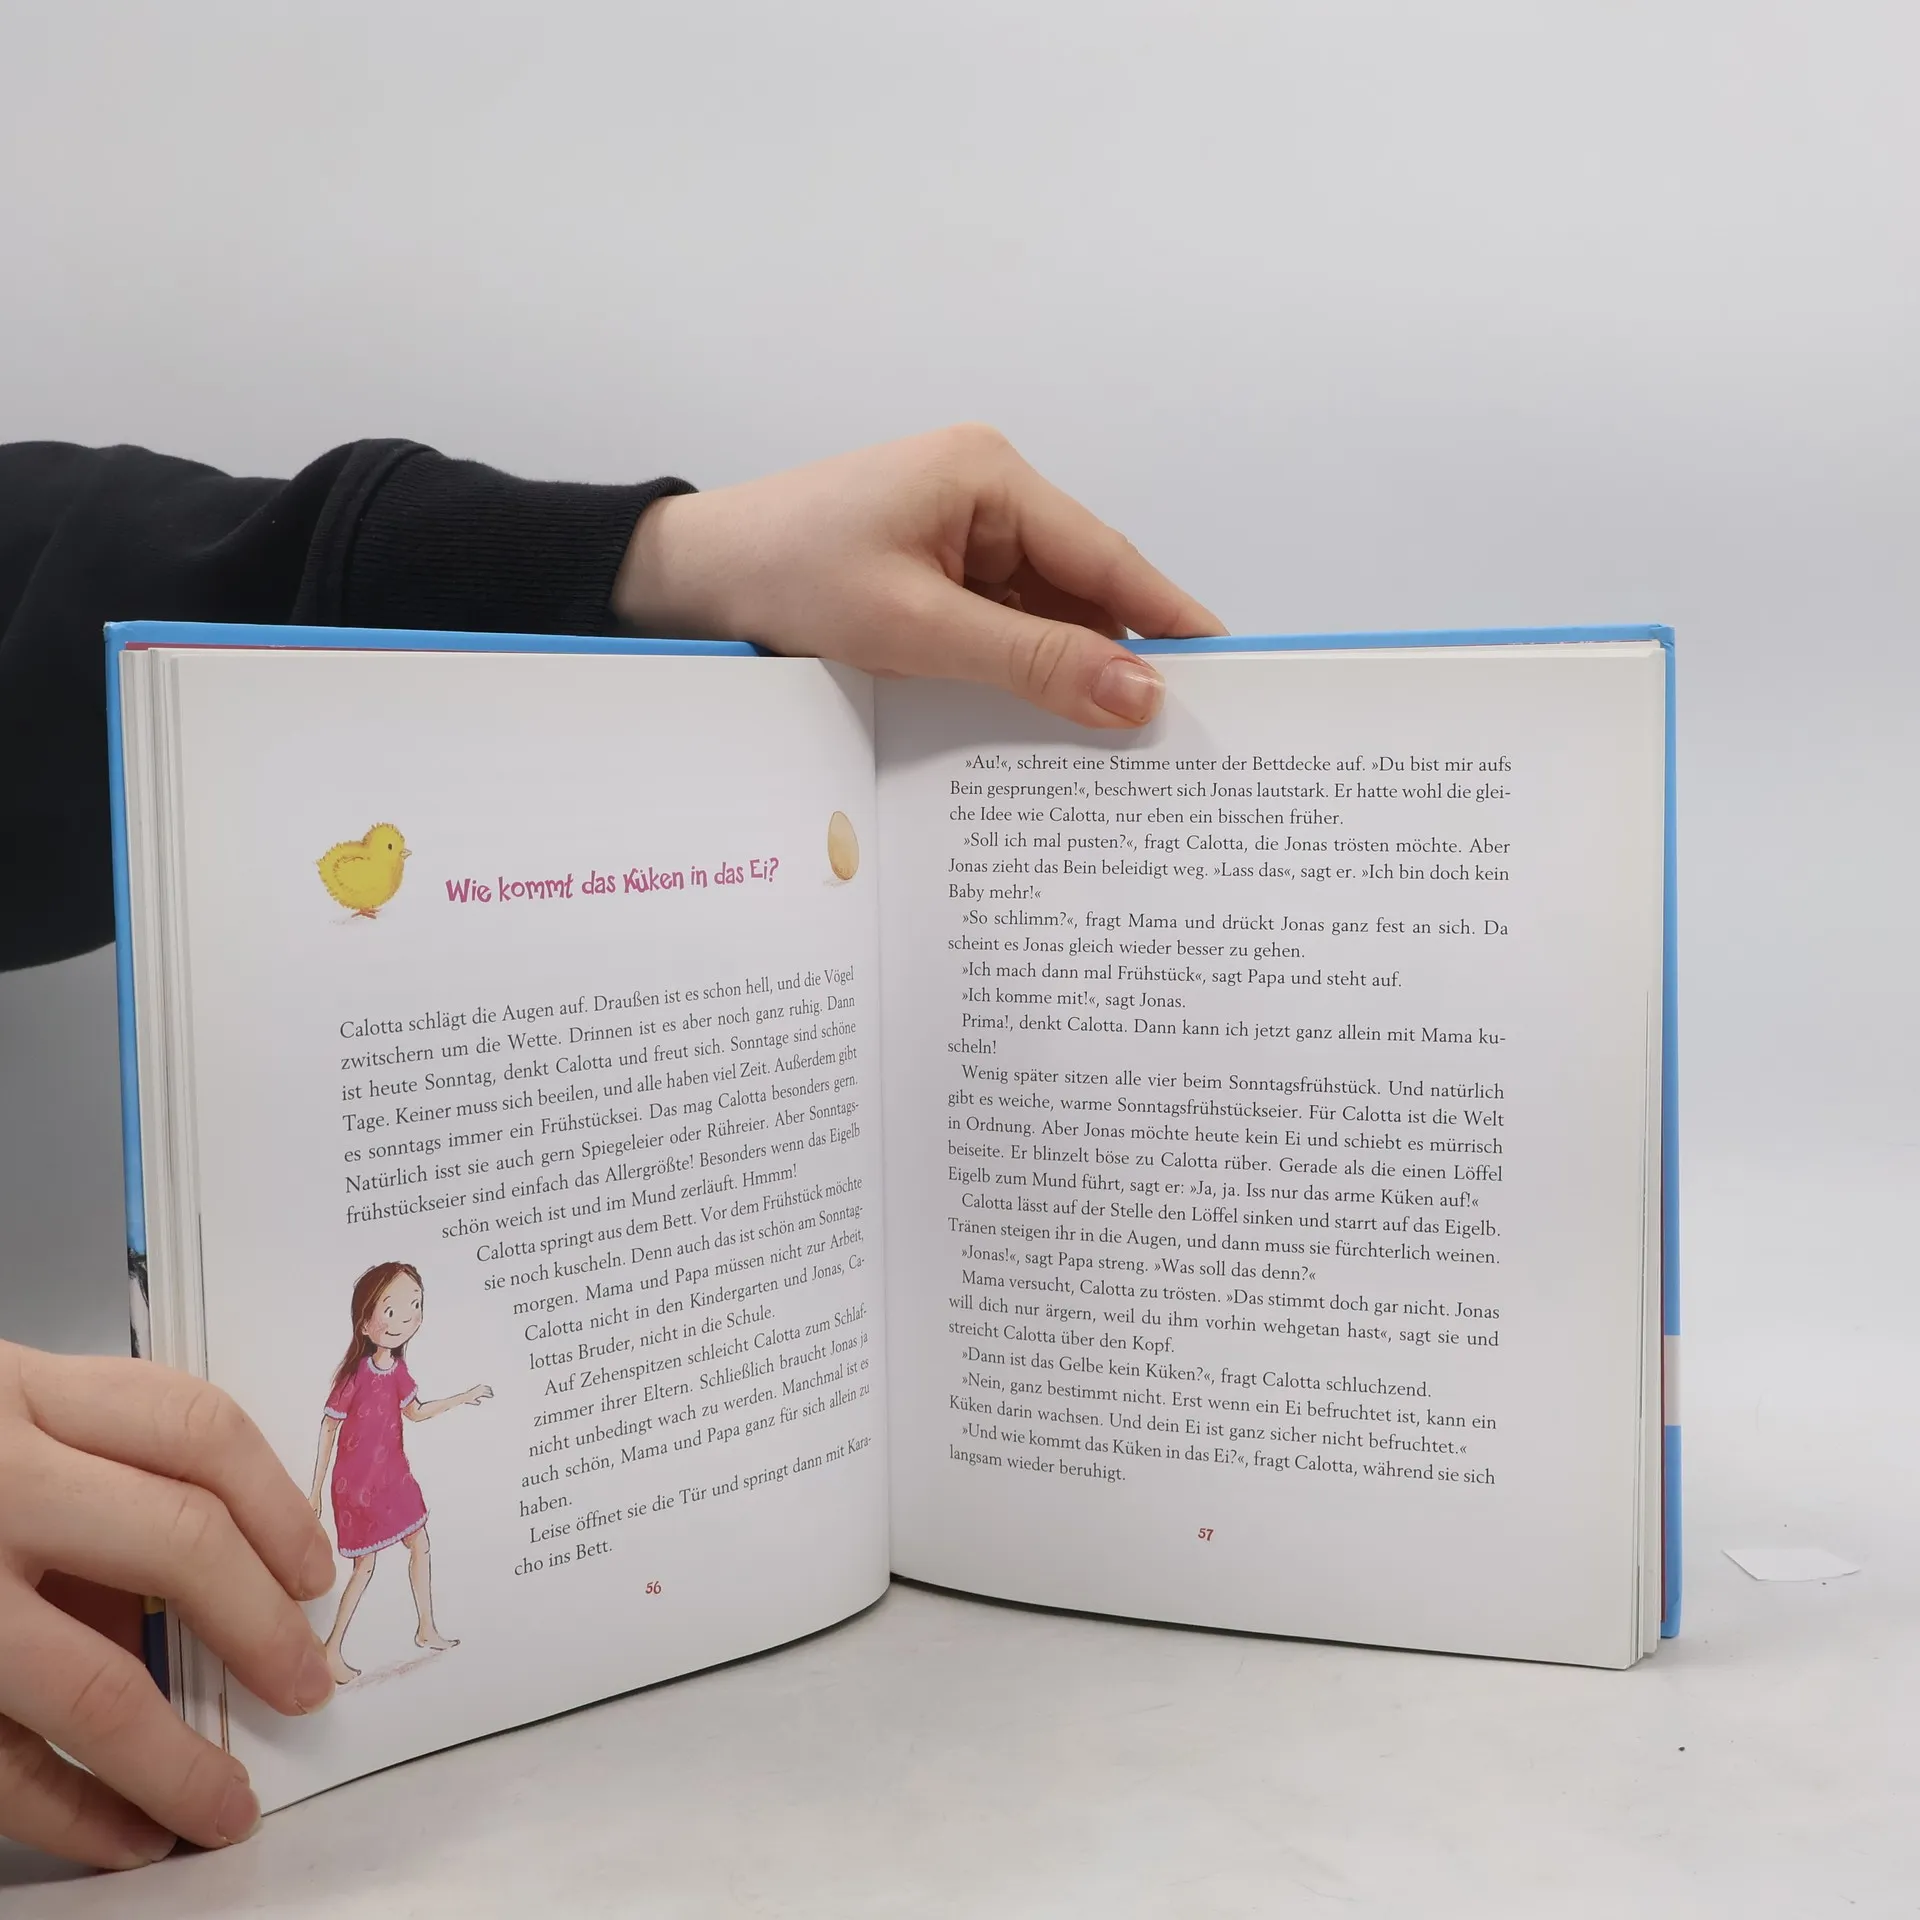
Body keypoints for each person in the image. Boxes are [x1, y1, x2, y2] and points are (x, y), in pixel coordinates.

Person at [0, 423, 1222, 1869]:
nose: (403, 1322)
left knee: (406, 1554)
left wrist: (654, 559)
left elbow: (49, 587)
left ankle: (411, 1623)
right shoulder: (355, 1373)